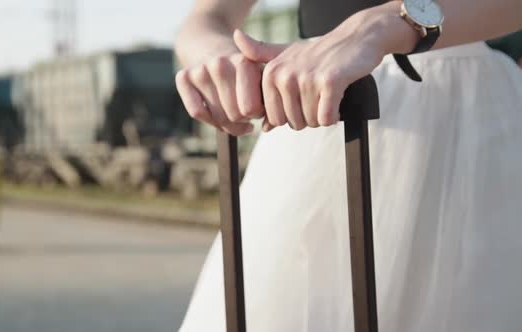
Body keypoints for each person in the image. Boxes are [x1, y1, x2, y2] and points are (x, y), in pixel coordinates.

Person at [174, 0, 522, 331]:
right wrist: (213, 57)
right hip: (314, 106)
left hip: (470, 114)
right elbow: (208, 17)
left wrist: (389, 22)